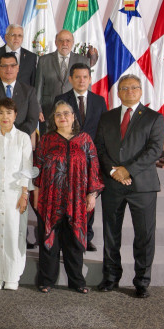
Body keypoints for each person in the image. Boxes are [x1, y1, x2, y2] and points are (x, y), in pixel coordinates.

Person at [94, 74, 164, 298]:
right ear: (118, 92)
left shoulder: (154, 118)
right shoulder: (107, 117)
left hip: (142, 186)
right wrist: (114, 172)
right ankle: (111, 277)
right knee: (111, 234)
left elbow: (154, 150)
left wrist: (128, 170)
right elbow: (100, 149)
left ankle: (142, 281)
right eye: (124, 88)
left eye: (134, 88)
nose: (129, 92)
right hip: (113, 184)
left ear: (141, 91)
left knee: (144, 235)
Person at [34, 100, 103, 294]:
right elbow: (37, 168)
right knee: (50, 241)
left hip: (77, 199)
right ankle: (46, 280)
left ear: (73, 117)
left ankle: (77, 282)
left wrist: (92, 194)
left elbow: (94, 167)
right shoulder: (47, 140)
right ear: (53, 119)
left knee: (74, 242)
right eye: (58, 114)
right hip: (50, 198)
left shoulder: (85, 140)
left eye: (66, 113)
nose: (62, 117)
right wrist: (37, 196)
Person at [0, 98, 35, 290]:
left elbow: (26, 167)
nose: (5, 117)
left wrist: (24, 193)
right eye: (1, 113)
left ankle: (12, 275)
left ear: (15, 115)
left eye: (9, 113)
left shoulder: (23, 138)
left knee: (13, 233)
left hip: (14, 194)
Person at [54, 62, 108, 251]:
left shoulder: (99, 101)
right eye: (77, 77)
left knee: (89, 200)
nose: (81, 80)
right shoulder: (61, 99)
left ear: (90, 79)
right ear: (70, 79)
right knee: (66, 198)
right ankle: (64, 234)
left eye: (85, 77)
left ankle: (86, 235)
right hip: (67, 159)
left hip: (91, 159)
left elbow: (104, 130)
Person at [35, 30, 88, 134]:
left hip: (74, 111)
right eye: (61, 40)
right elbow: (39, 87)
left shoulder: (83, 60)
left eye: (68, 40)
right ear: (55, 42)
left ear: (73, 42)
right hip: (49, 110)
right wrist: (38, 109)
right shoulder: (44, 60)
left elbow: (86, 87)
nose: (64, 44)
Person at [0, 53, 40, 137]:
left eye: (13, 66)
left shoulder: (29, 91)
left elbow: (33, 119)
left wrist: (17, 135)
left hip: (20, 139)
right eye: (4, 66)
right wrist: (0, 133)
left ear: (17, 68)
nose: (9, 69)